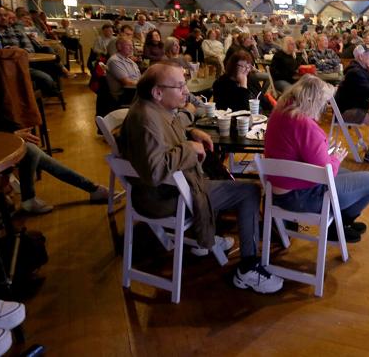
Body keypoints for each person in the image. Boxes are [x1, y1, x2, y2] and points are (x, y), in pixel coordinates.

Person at [118, 63, 283, 293]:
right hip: (167, 198)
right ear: (157, 92)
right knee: (250, 191)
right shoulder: (146, 120)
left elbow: (166, 138)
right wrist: (190, 148)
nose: (186, 91)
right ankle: (247, 268)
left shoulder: (150, 109)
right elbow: (155, 171)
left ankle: (207, 236)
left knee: (216, 170)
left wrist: (190, 132)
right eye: (179, 86)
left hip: (164, 192)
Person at [264, 75, 369, 243]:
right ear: (313, 100)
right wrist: (336, 158)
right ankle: (339, 226)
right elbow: (326, 172)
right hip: (299, 197)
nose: (324, 106)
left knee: (349, 174)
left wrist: (323, 149)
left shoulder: (280, 112)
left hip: (279, 190)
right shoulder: (303, 123)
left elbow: (299, 151)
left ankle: (339, 224)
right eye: (323, 102)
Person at [334, 45, 369, 166]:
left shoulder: (362, 70)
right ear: (360, 57)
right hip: (344, 112)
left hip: (355, 106)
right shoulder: (355, 72)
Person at [0, 4, 61, 96]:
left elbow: (30, 49)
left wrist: (18, 51)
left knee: (47, 80)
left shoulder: (16, 31)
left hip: (20, 67)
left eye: (5, 15)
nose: (3, 18)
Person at [106, 38, 141, 104]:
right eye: (128, 45)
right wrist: (144, 84)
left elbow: (139, 78)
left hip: (135, 91)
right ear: (119, 47)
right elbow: (127, 82)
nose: (131, 48)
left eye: (132, 46)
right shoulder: (115, 60)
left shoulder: (131, 62)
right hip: (125, 94)